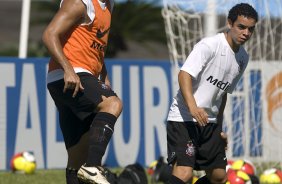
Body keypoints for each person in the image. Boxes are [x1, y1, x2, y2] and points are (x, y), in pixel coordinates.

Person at [165, 3, 258, 184]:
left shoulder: (243, 58)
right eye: (241, 27)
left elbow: (222, 94)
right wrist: (192, 107)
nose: (246, 33)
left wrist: (220, 128)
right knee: (184, 173)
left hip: (210, 123)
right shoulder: (209, 45)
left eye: (250, 29)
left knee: (219, 177)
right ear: (230, 23)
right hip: (184, 118)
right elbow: (184, 74)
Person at [42, 0, 122, 183]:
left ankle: (84, 169)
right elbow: (49, 34)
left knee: (77, 157)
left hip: (75, 77)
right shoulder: (80, 3)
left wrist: (104, 75)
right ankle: (93, 166)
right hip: (70, 75)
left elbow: (96, 47)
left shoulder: (108, 6)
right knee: (113, 104)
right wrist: (68, 70)